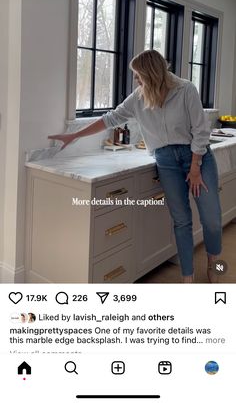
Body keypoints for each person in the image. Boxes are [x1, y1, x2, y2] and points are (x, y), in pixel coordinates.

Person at [48, 49, 222, 283]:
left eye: (139, 75)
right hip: (166, 162)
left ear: (152, 74)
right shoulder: (139, 97)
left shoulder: (185, 90)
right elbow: (111, 118)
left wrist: (194, 168)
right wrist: (75, 136)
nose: (136, 80)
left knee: (211, 218)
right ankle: (187, 279)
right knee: (181, 220)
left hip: (197, 157)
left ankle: (214, 263)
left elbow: (201, 131)